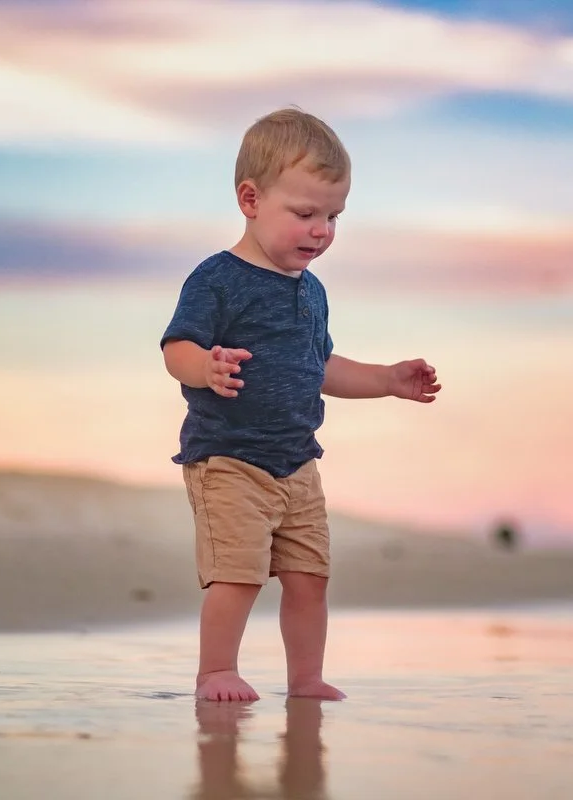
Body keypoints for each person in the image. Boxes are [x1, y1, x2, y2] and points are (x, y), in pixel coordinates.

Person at [161, 108, 441, 703]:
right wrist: (205, 367)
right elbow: (176, 348)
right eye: (306, 214)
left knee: (310, 578)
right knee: (235, 575)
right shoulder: (218, 280)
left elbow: (322, 370)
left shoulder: (311, 292)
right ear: (250, 198)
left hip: (297, 465)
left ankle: (305, 678)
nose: (321, 231)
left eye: (334, 216)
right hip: (229, 460)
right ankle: (216, 671)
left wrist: (387, 379)